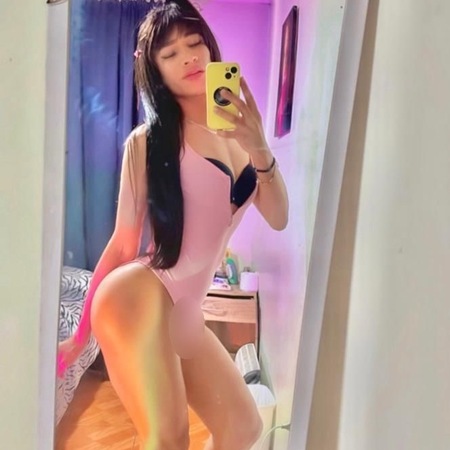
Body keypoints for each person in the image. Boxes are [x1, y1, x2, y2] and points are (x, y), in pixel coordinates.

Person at [57, 1, 289, 449]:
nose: (187, 58)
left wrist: (260, 147)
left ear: (210, 47)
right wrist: (80, 336)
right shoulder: (147, 142)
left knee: (243, 427)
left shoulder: (243, 136)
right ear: (156, 71)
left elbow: (278, 218)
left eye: (194, 43)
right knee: (167, 439)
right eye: (170, 53)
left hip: (185, 307)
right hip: (141, 293)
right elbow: (123, 245)